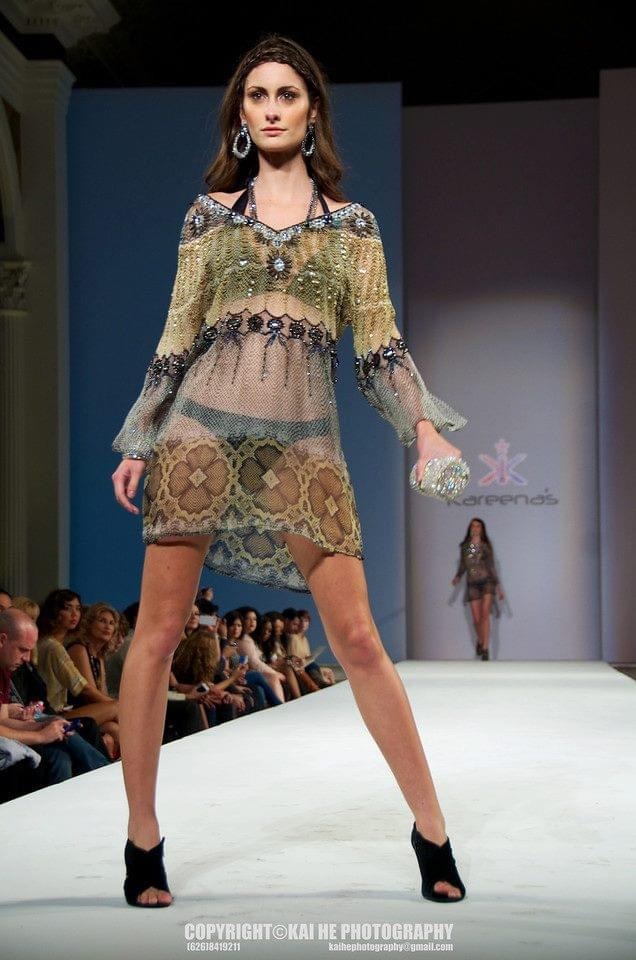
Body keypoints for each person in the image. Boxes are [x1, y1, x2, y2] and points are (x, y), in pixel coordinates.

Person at [110, 35, 468, 907]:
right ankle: (142, 838)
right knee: (157, 634)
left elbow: (380, 346)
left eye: (288, 95)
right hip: (199, 436)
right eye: (257, 95)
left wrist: (425, 429)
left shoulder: (353, 229)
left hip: (302, 446)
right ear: (241, 113)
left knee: (359, 641)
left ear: (313, 114)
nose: (271, 108)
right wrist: (140, 435)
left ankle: (431, 829)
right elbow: (177, 333)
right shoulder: (208, 217)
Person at [452, 517, 505, 660]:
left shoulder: (485, 546)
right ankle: (480, 641)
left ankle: (485, 648)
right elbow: (464, 564)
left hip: (487, 582)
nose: (475, 528)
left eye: (478, 526)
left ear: (482, 529)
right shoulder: (466, 547)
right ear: (470, 528)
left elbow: (491, 566)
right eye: (473, 526)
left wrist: (498, 588)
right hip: (473, 584)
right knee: (476, 619)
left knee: (485, 615)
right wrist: (458, 577)